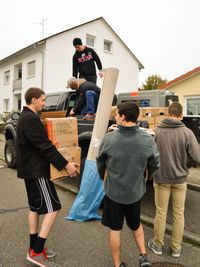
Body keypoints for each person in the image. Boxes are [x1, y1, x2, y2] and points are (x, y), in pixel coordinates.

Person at [16, 87, 79, 267]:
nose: (44, 103)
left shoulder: (26, 117)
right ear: (34, 100)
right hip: (37, 172)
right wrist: (66, 164)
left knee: (35, 208)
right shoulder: (30, 119)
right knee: (54, 207)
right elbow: (45, 146)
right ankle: (36, 252)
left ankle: (33, 247)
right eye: (42, 100)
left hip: (30, 171)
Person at [96, 101, 160, 267]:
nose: (115, 117)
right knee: (136, 224)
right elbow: (155, 164)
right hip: (135, 192)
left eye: (117, 114)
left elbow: (100, 162)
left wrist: (104, 176)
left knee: (115, 229)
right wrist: (145, 178)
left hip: (113, 192)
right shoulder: (147, 139)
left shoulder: (109, 139)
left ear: (123, 117)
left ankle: (117, 265)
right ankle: (144, 257)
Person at [148, 102, 200, 258]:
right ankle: (176, 248)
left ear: (168, 114)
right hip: (180, 179)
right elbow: (197, 157)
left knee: (161, 212)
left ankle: (157, 245)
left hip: (161, 178)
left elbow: (150, 155)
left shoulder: (156, 131)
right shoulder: (187, 133)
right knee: (179, 214)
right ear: (181, 115)